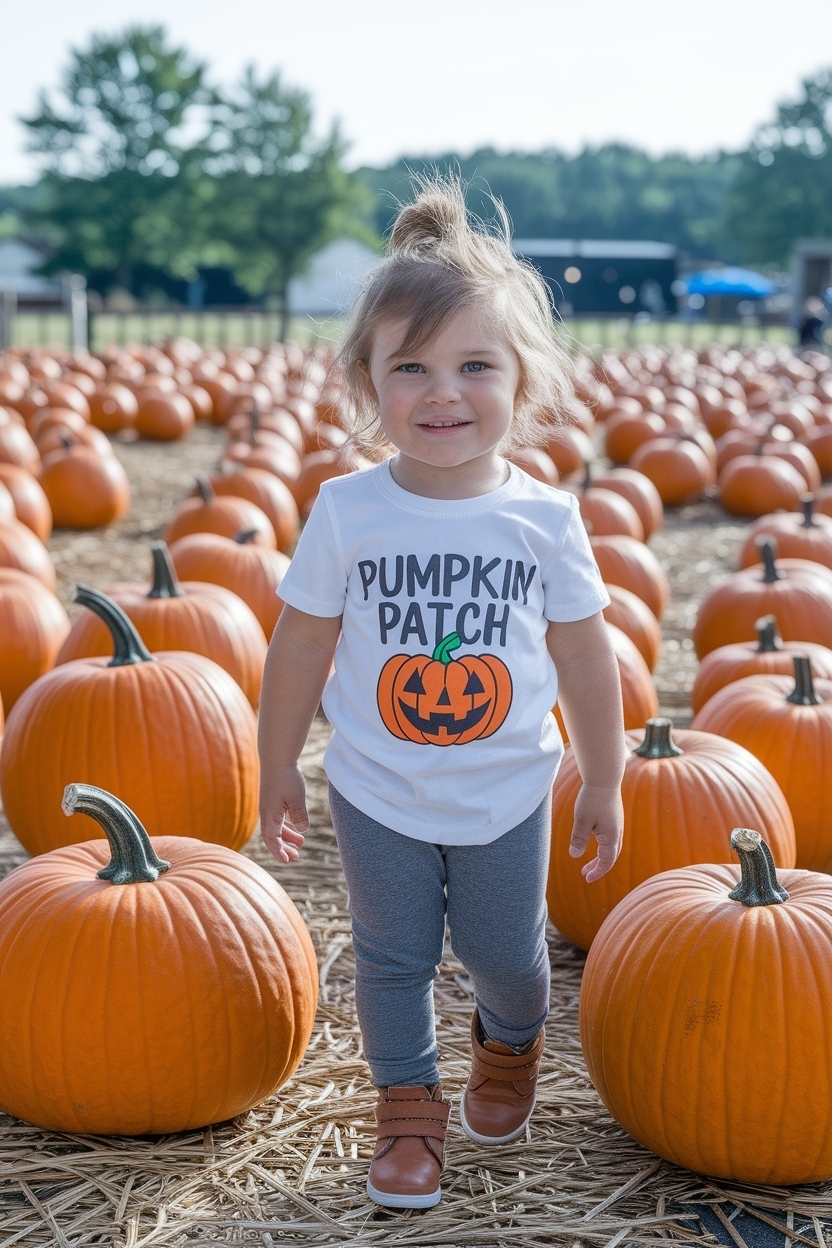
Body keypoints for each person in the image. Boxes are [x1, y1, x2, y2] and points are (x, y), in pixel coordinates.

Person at [258, 178, 626, 1210]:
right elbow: (300, 642)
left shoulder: (544, 521)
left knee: (507, 956)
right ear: (368, 382)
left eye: (474, 365)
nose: (441, 391)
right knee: (391, 957)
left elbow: (588, 654)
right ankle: (407, 1111)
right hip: (377, 784)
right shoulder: (347, 509)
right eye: (407, 367)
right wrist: (277, 759)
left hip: (506, 787)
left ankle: (508, 1041)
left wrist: (603, 774)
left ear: (522, 379)